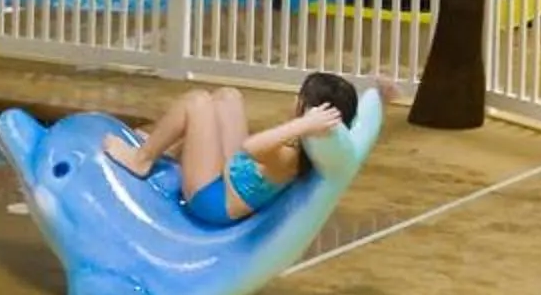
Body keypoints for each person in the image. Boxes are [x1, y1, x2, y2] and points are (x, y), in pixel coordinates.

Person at [101, 74, 354, 226]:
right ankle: (173, 146)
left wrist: (302, 124)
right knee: (227, 96)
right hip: (234, 174)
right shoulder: (311, 145)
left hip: (212, 200)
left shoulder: (290, 155)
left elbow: (250, 146)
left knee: (197, 102)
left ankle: (141, 159)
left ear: (307, 109)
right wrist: (379, 94)